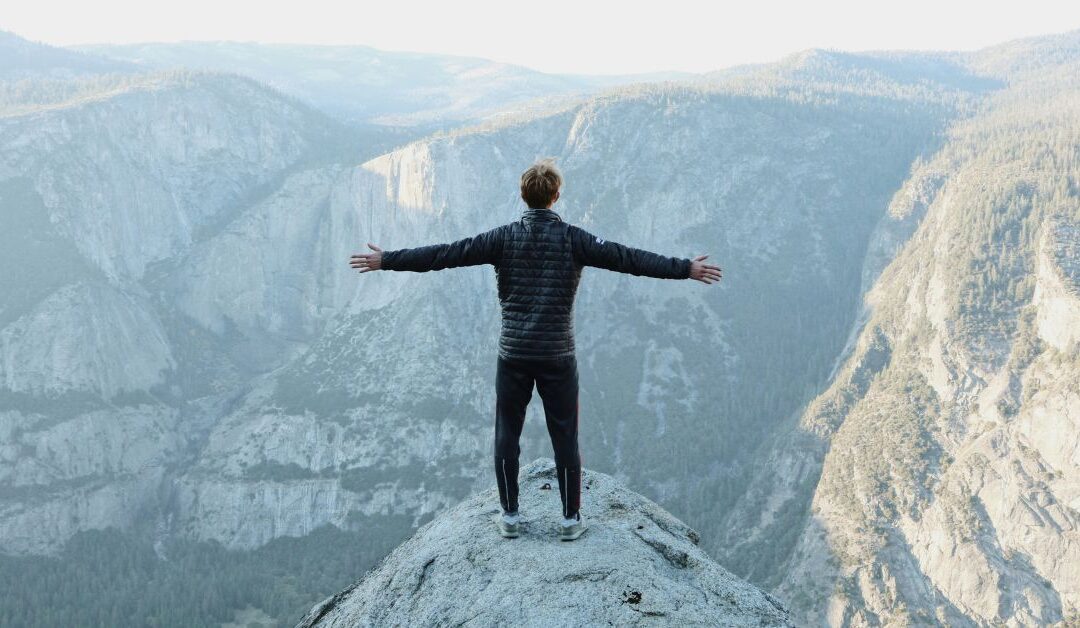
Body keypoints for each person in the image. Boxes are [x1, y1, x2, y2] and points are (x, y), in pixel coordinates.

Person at [350, 158, 722, 541]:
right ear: (556, 195)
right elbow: (629, 259)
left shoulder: (502, 238)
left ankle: (510, 516)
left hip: (512, 355)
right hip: (557, 356)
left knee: (506, 433)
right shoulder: (575, 240)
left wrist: (387, 260)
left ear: (523, 196)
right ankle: (570, 520)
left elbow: (444, 254)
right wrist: (684, 269)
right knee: (565, 436)